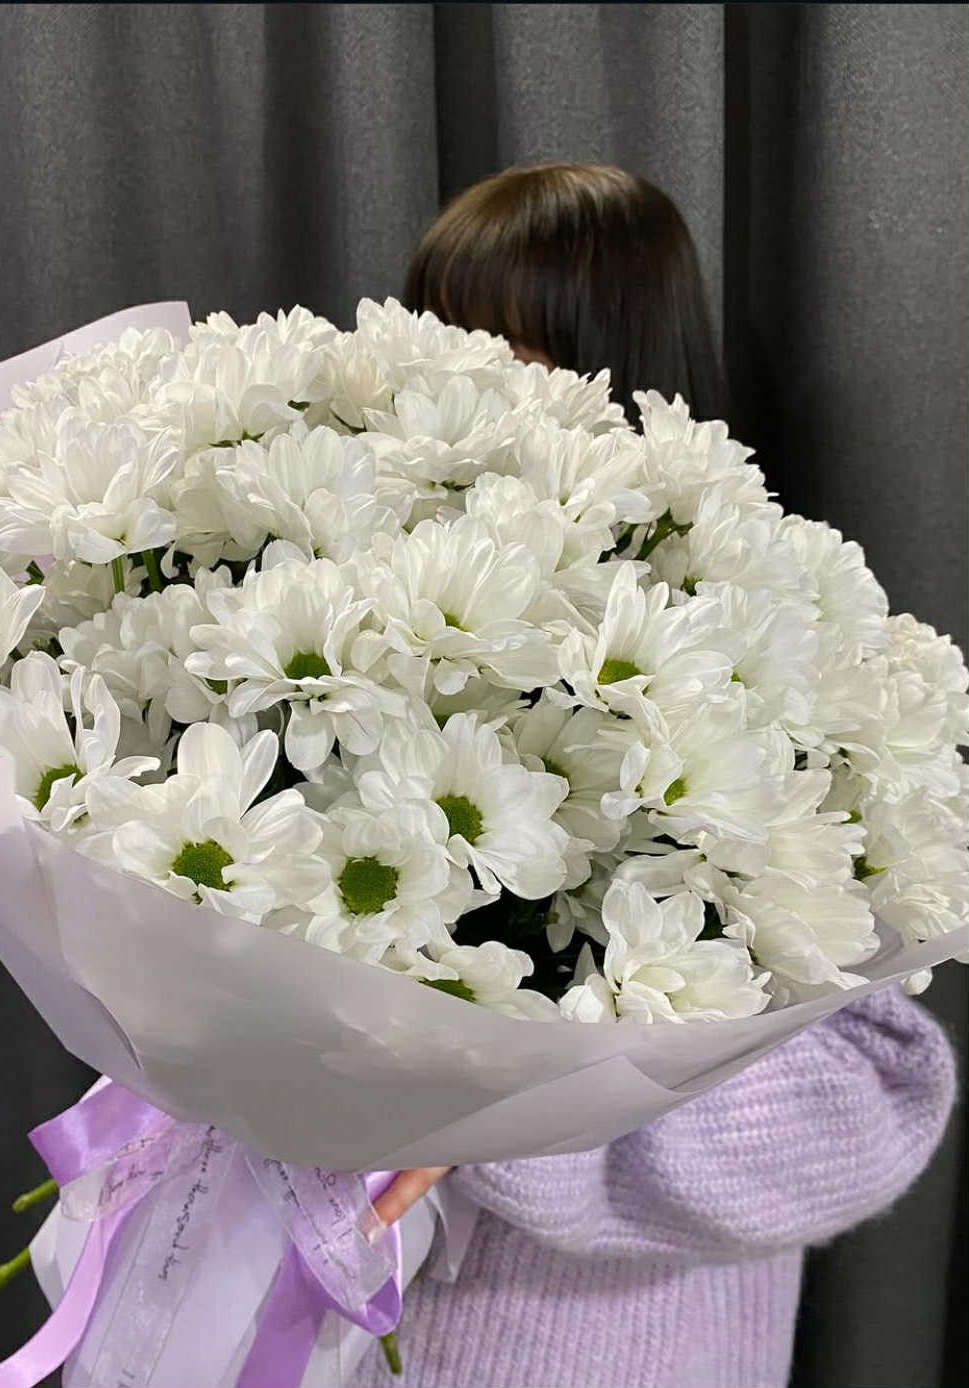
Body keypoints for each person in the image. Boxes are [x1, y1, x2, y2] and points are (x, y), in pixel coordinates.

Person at [355, 163, 957, 1388]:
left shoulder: (764, 665)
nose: (459, 387)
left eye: (505, 350)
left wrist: (514, 1119)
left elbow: (870, 1094)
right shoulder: (366, 614)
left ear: (624, 368)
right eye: (434, 339)